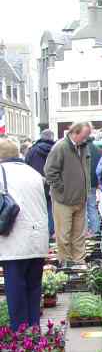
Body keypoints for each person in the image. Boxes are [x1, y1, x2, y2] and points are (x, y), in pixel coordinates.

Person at [0, 138, 49, 331]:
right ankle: (34, 329)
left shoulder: (2, 172)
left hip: (14, 239)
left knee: (15, 288)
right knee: (34, 287)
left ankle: (19, 334)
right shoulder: (33, 173)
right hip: (38, 239)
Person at [44, 121, 92, 265]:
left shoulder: (83, 147)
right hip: (63, 200)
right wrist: (62, 189)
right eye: (84, 135)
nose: (86, 139)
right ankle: (66, 263)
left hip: (80, 199)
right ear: (75, 132)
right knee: (64, 234)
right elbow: (49, 171)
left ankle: (79, 262)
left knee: (79, 235)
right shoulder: (60, 147)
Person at [25, 129, 56, 238]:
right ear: (52, 137)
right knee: (51, 208)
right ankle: (51, 231)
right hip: (53, 183)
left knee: (37, 209)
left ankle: (40, 233)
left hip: (35, 184)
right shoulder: (57, 150)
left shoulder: (32, 151)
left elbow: (26, 167)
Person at [86, 136, 102, 235]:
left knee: (82, 208)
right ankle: (95, 230)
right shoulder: (97, 149)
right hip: (93, 182)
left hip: (82, 183)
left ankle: (84, 231)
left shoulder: (80, 149)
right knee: (92, 206)